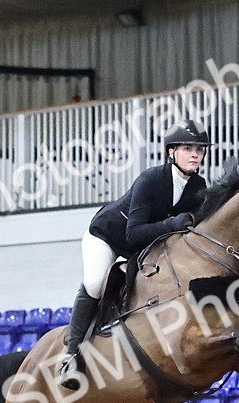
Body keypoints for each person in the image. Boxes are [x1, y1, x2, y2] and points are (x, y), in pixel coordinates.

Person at [55, 119, 212, 389]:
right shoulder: (150, 180)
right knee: (95, 282)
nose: (195, 154)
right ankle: (71, 354)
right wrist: (171, 224)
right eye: (188, 148)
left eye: (199, 149)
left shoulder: (199, 185)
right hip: (108, 237)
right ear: (171, 152)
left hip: (144, 247)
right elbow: (133, 233)